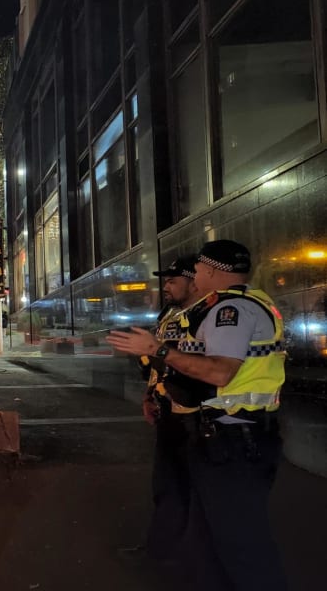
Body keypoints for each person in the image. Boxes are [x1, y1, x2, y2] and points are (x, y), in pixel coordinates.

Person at [106, 240, 287, 591]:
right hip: (230, 434)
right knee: (210, 541)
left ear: (210, 272)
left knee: (241, 545)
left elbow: (220, 373)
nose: (196, 278)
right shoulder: (237, 304)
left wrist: (157, 350)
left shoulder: (228, 310)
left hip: (234, 437)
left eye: (199, 272)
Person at [124, 255, 202, 565]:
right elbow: (158, 364)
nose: (165, 286)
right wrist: (149, 396)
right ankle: (162, 551)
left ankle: (192, 557)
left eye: (172, 281)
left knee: (196, 490)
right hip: (169, 413)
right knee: (167, 485)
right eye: (165, 281)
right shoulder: (169, 315)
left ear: (194, 282)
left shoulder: (206, 316)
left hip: (197, 416)